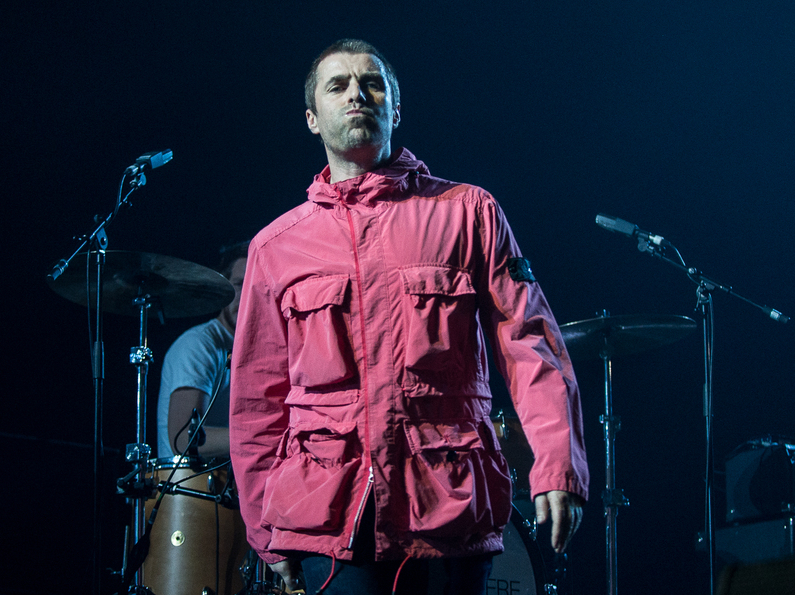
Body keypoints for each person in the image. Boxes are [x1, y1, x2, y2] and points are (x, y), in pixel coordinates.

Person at [230, 39, 589, 595]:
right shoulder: (276, 247)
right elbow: (257, 401)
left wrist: (557, 464)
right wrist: (262, 526)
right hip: (331, 520)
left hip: (448, 509)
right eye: (338, 85)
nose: (356, 93)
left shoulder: (469, 212)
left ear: (396, 108)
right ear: (311, 118)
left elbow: (530, 342)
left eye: (372, 83)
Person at [157, 242, 248, 460]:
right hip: (189, 489)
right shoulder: (200, 345)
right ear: (224, 289)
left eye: (255, 285)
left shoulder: (262, 353)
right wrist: (265, 437)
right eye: (239, 284)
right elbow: (184, 439)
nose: (247, 295)